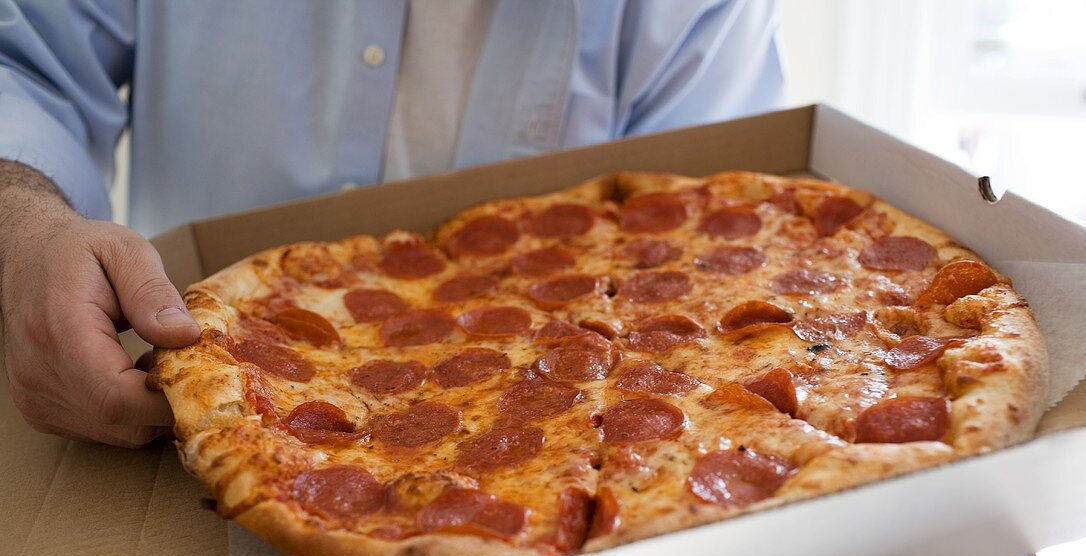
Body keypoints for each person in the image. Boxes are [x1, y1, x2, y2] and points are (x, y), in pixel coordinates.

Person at [0, 0, 785, 447]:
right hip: (174, 388)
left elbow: (713, 262)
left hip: (559, 463)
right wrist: (26, 232)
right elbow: (23, 62)